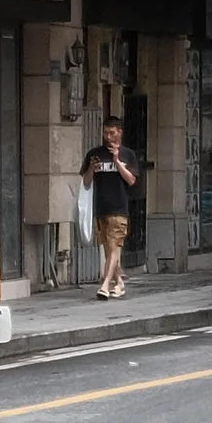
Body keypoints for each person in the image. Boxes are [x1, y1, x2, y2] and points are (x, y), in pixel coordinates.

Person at [79, 118, 140, 300]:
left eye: (112, 133)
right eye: (105, 133)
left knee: (113, 248)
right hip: (100, 208)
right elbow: (86, 182)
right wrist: (91, 168)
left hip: (119, 208)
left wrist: (117, 161)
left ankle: (105, 285)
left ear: (120, 132)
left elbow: (131, 180)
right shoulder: (94, 154)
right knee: (107, 249)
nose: (108, 137)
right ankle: (119, 282)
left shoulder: (128, 154)